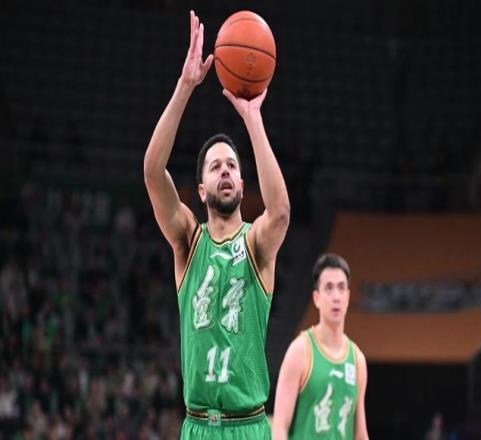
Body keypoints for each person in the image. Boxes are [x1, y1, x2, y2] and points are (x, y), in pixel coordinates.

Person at [143, 10, 290, 440]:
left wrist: (253, 119)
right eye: (214, 166)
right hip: (198, 426)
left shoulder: (257, 244)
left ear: (242, 185)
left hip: (250, 425)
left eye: (231, 165)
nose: (224, 170)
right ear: (202, 190)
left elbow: (280, 212)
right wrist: (185, 86)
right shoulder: (188, 240)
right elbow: (152, 172)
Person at [272, 253, 369, 440]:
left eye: (341, 288)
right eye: (329, 288)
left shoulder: (357, 360)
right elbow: (280, 427)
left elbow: (360, 434)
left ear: (348, 296)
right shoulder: (300, 351)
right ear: (316, 298)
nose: (336, 296)